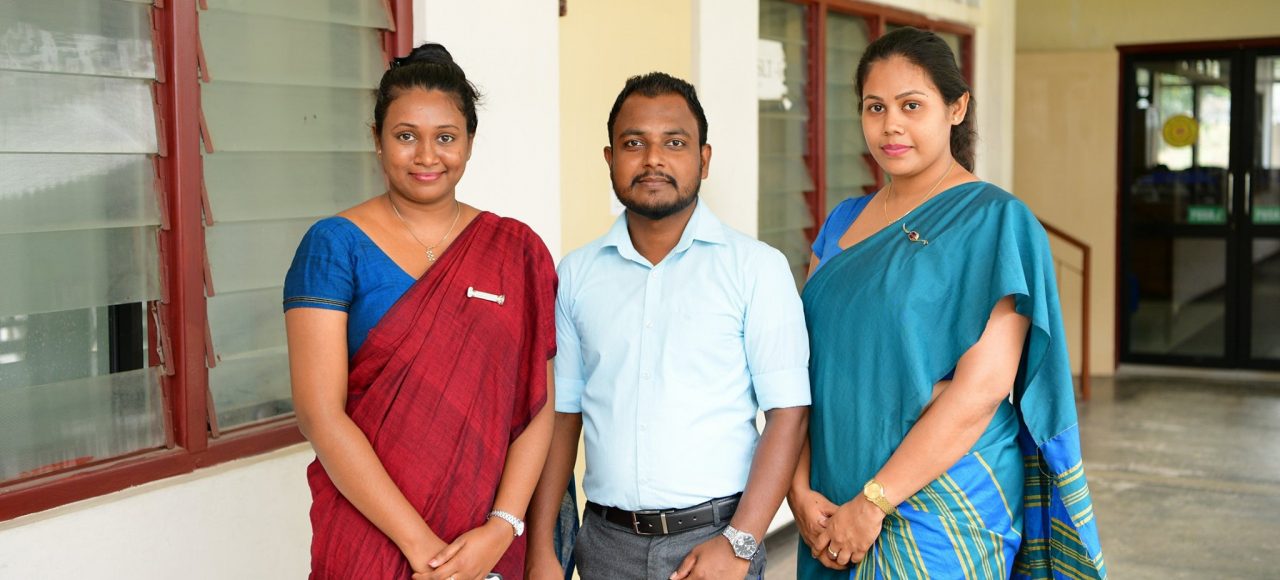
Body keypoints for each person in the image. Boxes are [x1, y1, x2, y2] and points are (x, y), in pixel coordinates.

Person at [788, 27, 1107, 580]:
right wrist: (797, 489)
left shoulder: (995, 222)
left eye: (911, 105)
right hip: (831, 491)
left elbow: (981, 390)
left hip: (942, 497)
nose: (891, 125)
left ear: (956, 109)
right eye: (875, 107)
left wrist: (874, 503)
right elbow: (799, 364)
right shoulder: (841, 222)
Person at [284, 43, 558, 580]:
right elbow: (320, 415)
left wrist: (502, 527)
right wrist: (424, 549)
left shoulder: (518, 250)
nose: (427, 156)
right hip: (367, 533)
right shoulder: (333, 246)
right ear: (377, 139)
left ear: (470, 142)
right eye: (406, 136)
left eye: (446, 137)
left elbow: (538, 402)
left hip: (483, 542)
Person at [525, 72, 811, 580]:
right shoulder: (576, 274)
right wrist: (542, 545)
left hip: (717, 540)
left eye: (674, 143)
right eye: (634, 143)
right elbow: (563, 417)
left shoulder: (755, 268)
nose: (653, 159)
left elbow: (788, 414)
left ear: (704, 159)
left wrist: (740, 543)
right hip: (605, 545)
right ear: (610, 158)